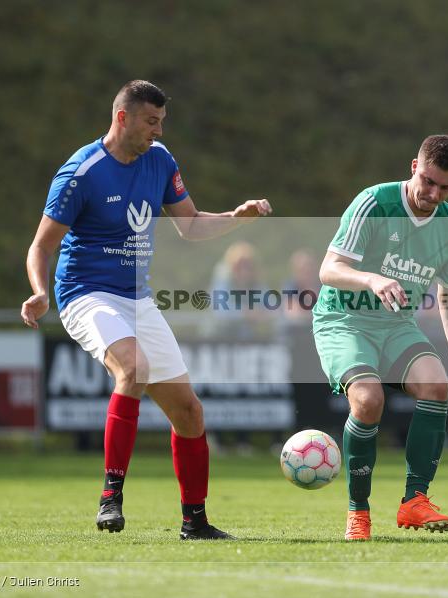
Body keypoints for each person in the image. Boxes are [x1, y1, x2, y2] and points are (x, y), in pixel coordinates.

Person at [20, 80, 271, 541]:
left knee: (190, 413)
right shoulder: (81, 172)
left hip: (136, 298)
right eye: (150, 122)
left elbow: (190, 226)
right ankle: (110, 497)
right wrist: (40, 292)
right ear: (123, 118)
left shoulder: (160, 160)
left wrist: (236, 218)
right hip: (85, 293)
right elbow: (41, 246)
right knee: (132, 369)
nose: (157, 131)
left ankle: (194, 522)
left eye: (162, 122)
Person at [312, 135, 448, 541]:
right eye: (428, 181)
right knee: (369, 401)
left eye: (446, 187)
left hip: (397, 324)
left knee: (436, 384)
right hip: (344, 319)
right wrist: (371, 278)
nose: (434, 193)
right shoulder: (375, 202)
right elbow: (329, 269)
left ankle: (414, 502)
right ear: (413, 167)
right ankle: (358, 512)